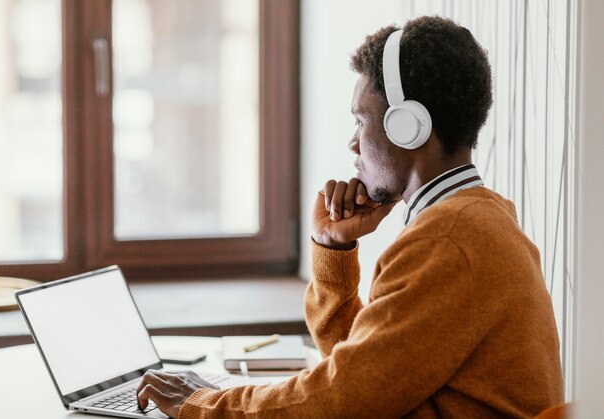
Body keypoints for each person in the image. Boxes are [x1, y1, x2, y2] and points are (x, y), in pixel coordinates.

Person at [136, 16, 563, 418]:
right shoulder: (477, 219)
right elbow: (369, 373)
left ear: (407, 126)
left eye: (361, 121)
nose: (353, 144)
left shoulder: (448, 240)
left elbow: (343, 400)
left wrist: (205, 406)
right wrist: (332, 248)